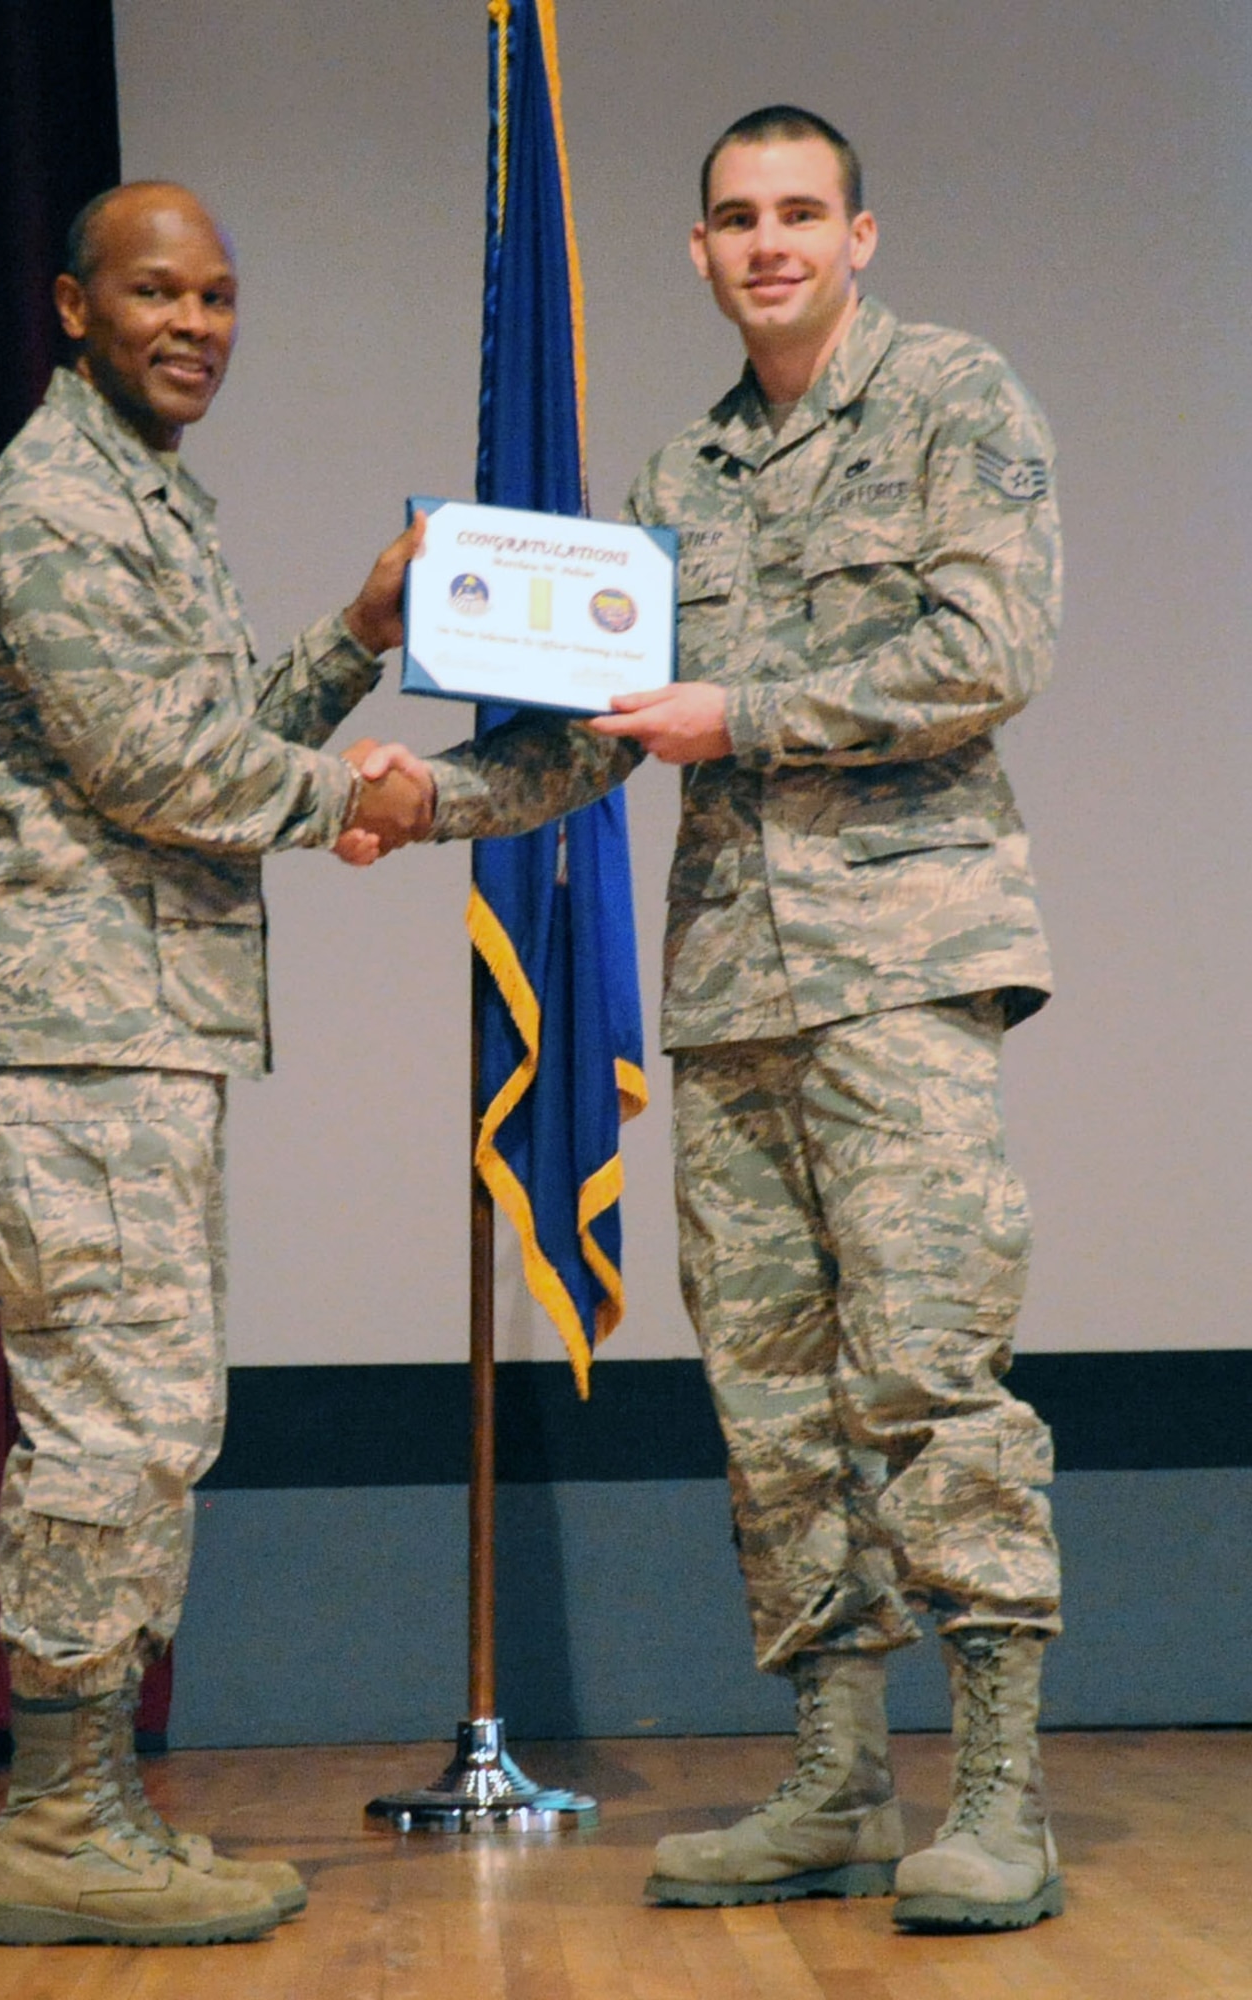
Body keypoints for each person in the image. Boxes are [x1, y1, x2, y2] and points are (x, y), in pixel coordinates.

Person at [364, 104, 1065, 1934]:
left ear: (859, 234)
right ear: (697, 253)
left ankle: (997, 1800)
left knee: (926, 1377)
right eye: (737, 219)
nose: (768, 243)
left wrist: (734, 709)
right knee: (771, 1405)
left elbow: (989, 647)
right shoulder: (681, 475)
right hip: (731, 994)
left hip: (901, 968)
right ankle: (833, 1779)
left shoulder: (948, 400)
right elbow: (586, 731)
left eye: (801, 213)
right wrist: (410, 798)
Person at [0, 180, 430, 1948]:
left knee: (152, 1416)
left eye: (217, 294)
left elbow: (213, 742)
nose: (193, 324)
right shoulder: (57, 503)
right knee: (109, 1422)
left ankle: (99, 1807)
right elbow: (162, 775)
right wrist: (389, 802)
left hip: (132, 1022)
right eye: (154, 293)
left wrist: (357, 640)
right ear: (73, 308)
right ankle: (59, 1822)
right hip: (70, 1025)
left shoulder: (147, 499)